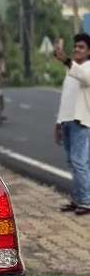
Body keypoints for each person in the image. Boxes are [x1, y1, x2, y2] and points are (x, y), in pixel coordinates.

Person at [54, 33, 90, 215]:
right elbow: (66, 98)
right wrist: (58, 122)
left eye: (81, 47)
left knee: (79, 162)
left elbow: (85, 78)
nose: (77, 49)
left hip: (80, 121)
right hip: (67, 120)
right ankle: (77, 199)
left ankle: (86, 201)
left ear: (89, 51)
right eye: (75, 46)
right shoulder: (71, 69)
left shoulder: (86, 68)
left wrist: (67, 61)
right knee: (72, 163)